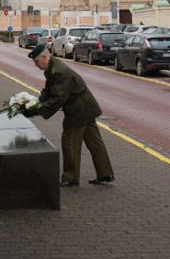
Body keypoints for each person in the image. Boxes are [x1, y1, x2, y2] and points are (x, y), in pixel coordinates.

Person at [25, 43, 115, 187]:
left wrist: (37, 110)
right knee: (94, 142)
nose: (35, 65)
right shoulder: (53, 67)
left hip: (78, 110)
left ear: (44, 57)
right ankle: (105, 174)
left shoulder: (58, 71)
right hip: (86, 108)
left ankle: (70, 177)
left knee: (69, 140)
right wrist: (35, 102)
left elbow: (58, 98)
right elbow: (49, 91)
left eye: (36, 61)